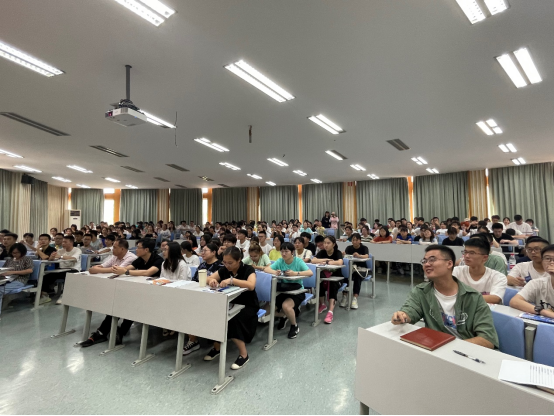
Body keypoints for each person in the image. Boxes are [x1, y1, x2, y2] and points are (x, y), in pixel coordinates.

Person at [392, 245, 499, 349]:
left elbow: (488, 339)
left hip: (466, 351)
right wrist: (403, 315)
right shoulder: (421, 292)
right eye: (424, 261)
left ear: (449, 263)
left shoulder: (473, 297)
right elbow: (410, 310)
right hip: (436, 350)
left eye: (432, 260)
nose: (426, 264)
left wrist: (449, 347)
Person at [81, 239, 164, 348]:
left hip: (155, 293)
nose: (136, 249)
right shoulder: (139, 260)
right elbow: (126, 268)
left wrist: (125, 271)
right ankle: (103, 332)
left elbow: (148, 272)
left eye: (138, 247)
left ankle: (118, 331)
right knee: (119, 304)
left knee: (132, 306)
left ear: (146, 249)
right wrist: (117, 269)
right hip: (140, 291)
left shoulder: (158, 259)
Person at [204, 247, 258, 370]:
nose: (227, 265)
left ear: (239, 260)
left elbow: (251, 285)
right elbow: (208, 278)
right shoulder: (224, 270)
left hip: (248, 304)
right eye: (224, 262)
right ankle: (217, 348)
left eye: (230, 263)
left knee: (233, 319)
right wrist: (212, 280)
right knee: (214, 315)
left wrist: (232, 280)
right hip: (229, 303)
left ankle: (244, 354)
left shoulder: (248, 269)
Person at [264, 242, 313, 340]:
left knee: (286, 306)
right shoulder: (280, 261)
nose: (283, 254)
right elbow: (266, 269)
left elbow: (310, 272)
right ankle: (284, 315)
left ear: (292, 252)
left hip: (297, 291)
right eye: (282, 251)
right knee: (266, 311)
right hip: (283, 291)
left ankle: (294, 325)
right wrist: (275, 272)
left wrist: (296, 273)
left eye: (286, 251)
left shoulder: (298, 261)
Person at [453, 239, 507, 305]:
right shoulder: (456, 272)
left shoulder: (498, 276)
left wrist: (463, 298)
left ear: (485, 258)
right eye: (465, 252)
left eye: (472, 253)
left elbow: (495, 298)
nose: (466, 256)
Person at [510, 245, 554, 318]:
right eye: (547, 258)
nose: (551, 262)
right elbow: (514, 301)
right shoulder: (537, 283)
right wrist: (543, 311)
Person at [311, 236, 344, 325]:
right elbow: (313, 260)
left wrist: (328, 262)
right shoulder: (322, 252)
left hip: (337, 278)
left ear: (333, 244)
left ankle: (330, 312)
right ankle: (322, 304)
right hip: (325, 277)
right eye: (325, 243)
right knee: (319, 282)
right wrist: (326, 260)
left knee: (332, 284)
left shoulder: (337, 252)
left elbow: (340, 262)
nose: (326, 245)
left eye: (328, 243)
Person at [41, 235, 82, 305]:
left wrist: (60, 256)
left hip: (73, 269)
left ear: (71, 243)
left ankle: (64, 295)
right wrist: (52, 257)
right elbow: (52, 260)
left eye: (65, 242)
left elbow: (74, 258)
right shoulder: (60, 250)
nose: (63, 243)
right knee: (46, 276)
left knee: (68, 276)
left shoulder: (77, 250)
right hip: (61, 270)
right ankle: (44, 295)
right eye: (63, 242)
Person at [0, 243, 34, 315]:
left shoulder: (27, 259)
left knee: (0, 290)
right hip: (7, 279)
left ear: (22, 252)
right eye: (13, 253)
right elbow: (4, 269)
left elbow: (30, 270)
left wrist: (13, 272)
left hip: (19, 280)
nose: (14, 254)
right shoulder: (9, 260)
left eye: (17, 253)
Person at [341, 233, 369, 310]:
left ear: (360, 240)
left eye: (356, 240)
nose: (354, 241)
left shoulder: (364, 248)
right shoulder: (349, 248)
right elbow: (346, 257)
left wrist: (359, 256)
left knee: (357, 276)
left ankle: (354, 298)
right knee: (346, 275)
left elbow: (367, 256)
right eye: (353, 240)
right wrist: (343, 255)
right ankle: (344, 296)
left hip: (362, 269)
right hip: (351, 268)